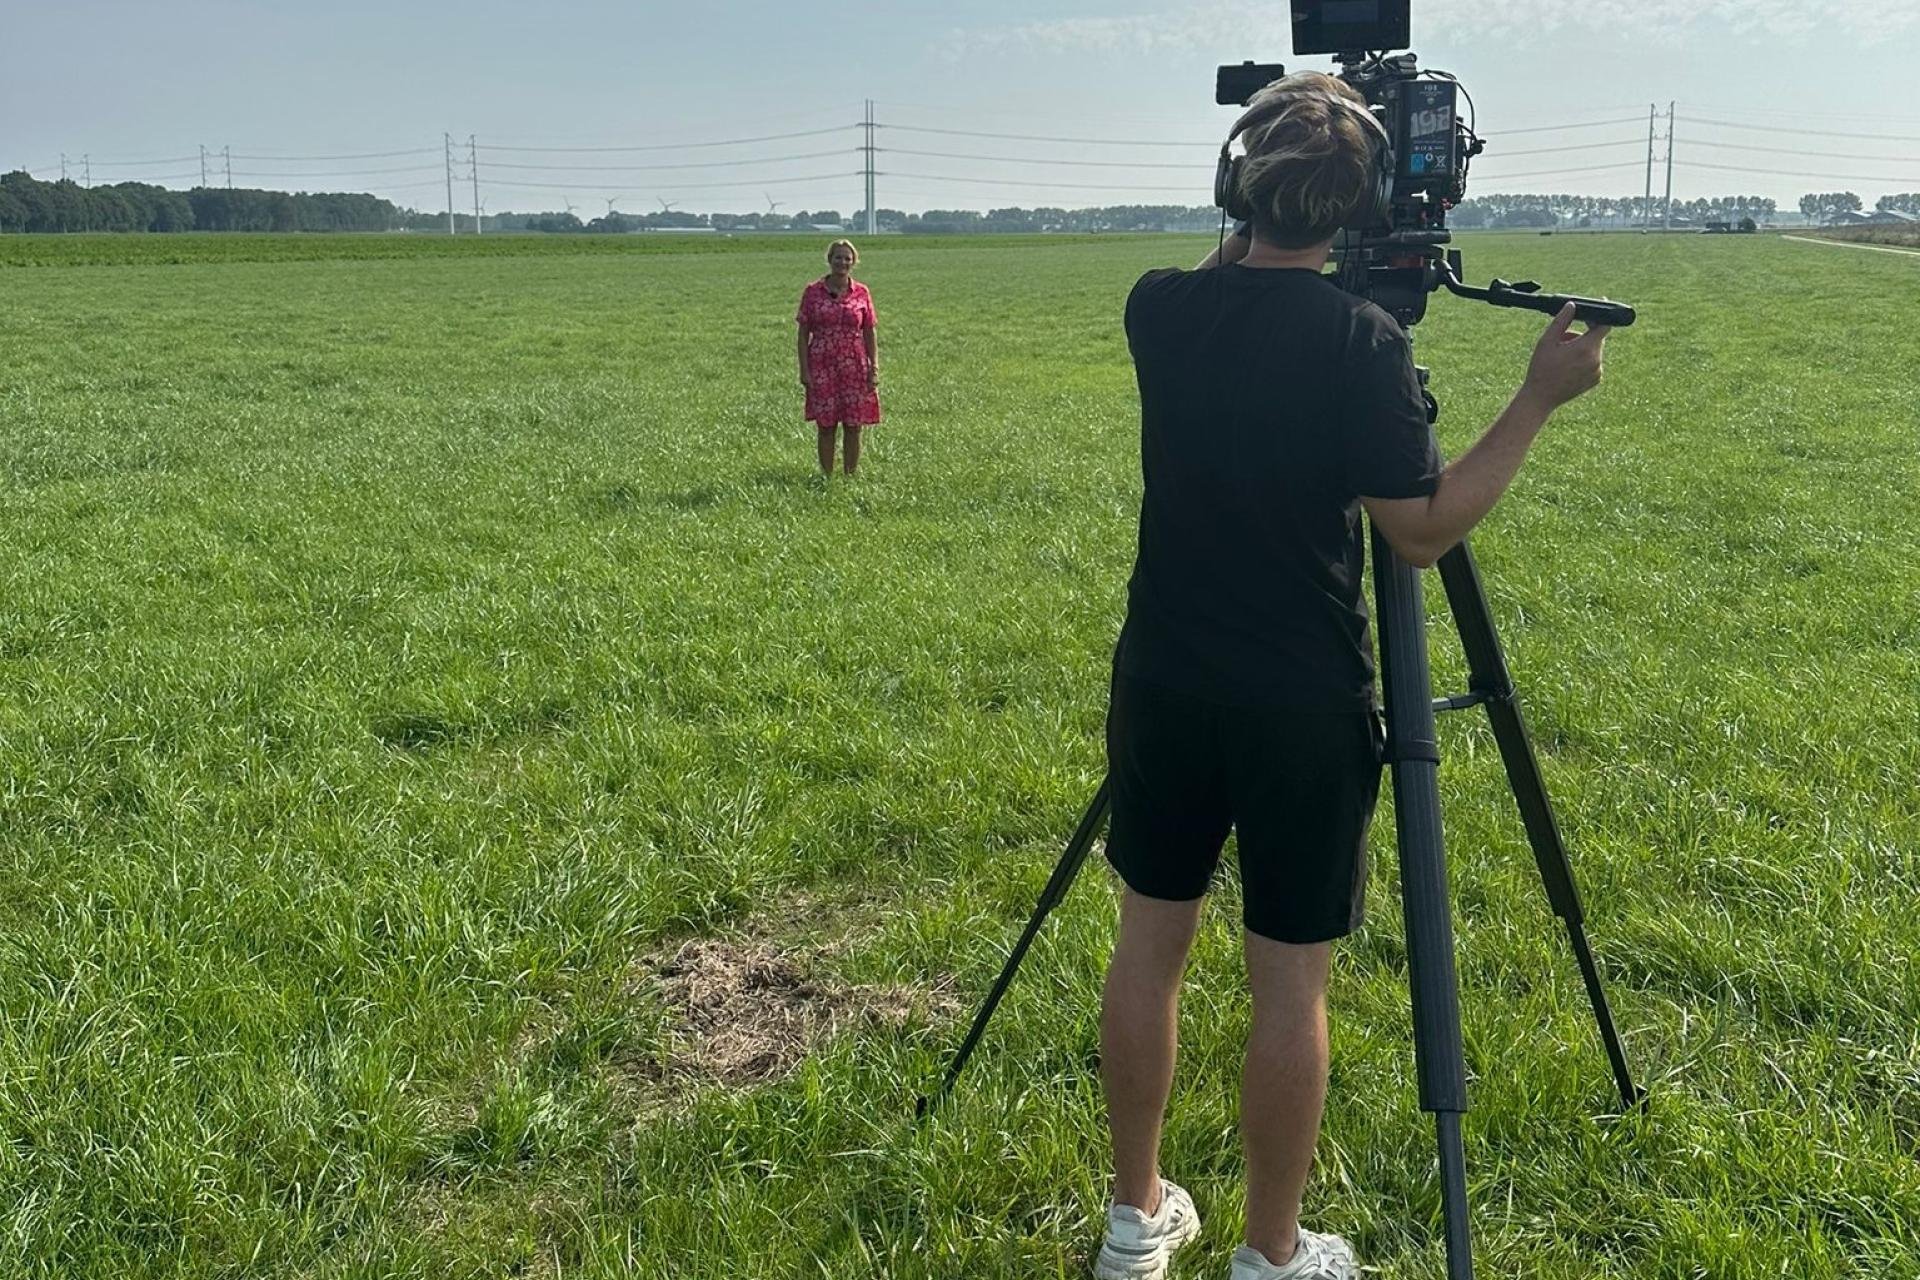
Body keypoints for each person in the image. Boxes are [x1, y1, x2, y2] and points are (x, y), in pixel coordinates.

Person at [1092, 72, 1611, 1280]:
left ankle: (1134, 1222)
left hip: (1165, 676)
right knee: (1289, 982)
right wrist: (1538, 396)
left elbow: (1236, 270)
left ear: (1235, 188)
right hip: (1299, 701)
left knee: (1147, 943)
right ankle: (1273, 1255)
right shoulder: (1360, 343)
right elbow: (1420, 532)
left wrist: (1278, 155)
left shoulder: (1158, 308)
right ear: (1365, 204)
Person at [795, 239, 881, 474]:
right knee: (826, 425)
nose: (842, 262)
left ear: (853, 262)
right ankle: (826, 476)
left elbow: (869, 331)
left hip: (854, 365)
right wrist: (804, 369)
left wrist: (874, 367)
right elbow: (803, 333)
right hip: (821, 364)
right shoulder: (813, 292)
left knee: (853, 425)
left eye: (847, 258)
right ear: (829, 260)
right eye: (838, 257)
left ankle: (850, 475)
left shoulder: (862, 292)